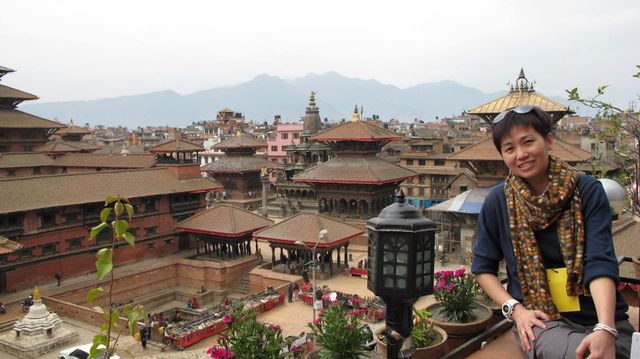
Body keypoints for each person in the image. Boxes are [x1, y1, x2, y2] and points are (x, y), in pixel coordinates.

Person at [471, 105, 633, 359]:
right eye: (510, 148)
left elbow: (599, 261)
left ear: (548, 140)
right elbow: (482, 268)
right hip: (541, 321)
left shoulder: (586, 190)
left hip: (600, 316)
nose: (521, 154)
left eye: (528, 142)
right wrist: (516, 310)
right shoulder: (498, 201)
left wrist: (604, 326)